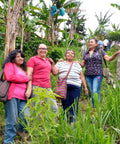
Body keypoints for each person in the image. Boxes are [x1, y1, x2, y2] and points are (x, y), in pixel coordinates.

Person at [80, 38, 120, 108]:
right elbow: (82, 65)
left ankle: (96, 109)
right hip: (88, 75)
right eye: (89, 42)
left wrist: (116, 53)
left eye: (92, 42)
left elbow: (108, 59)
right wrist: (75, 62)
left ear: (96, 44)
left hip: (98, 74)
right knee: (92, 92)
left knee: (95, 91)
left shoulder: (100, 51)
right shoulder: (86, 53)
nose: (90, 43)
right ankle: (94, 107)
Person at [52, 49, 88, 123]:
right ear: (65, 55)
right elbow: (55, 72)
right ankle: (65, 119)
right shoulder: (60, 63)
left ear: (74, 56)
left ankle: (72, 121)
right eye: (68, 53)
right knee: (65, 103)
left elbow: (81, 76)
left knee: (74, 103)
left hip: (76, 86)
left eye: (72, 53)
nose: (70, 54)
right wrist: (55, 63)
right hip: (64, 86)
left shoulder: (77, 64)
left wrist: (85, 87)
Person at [2, 50, 30, 144]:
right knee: (12, 120)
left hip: (23, 98)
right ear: (13, 58)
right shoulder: (9, 65)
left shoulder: (22, 69)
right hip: (12, 96)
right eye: (18, 56)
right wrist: (26, 78)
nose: (20, 58)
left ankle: (20, 130)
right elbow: (10, 77)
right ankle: (8, 141)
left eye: (22, 56)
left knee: (26, 117)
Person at [25, 43, 58, 113]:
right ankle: (35, 124)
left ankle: (50, 123)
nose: (43, 50)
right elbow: (29, 74)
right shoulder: (33, 59)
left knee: (54, 108)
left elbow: (55, 73)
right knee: (36, 109)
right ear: (37, 50)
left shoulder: (48, 61)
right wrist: (29, 88)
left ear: (47, 51)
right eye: (41, 48)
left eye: (44, 49)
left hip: (47, 88)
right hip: (36, 87)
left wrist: (52, 64)